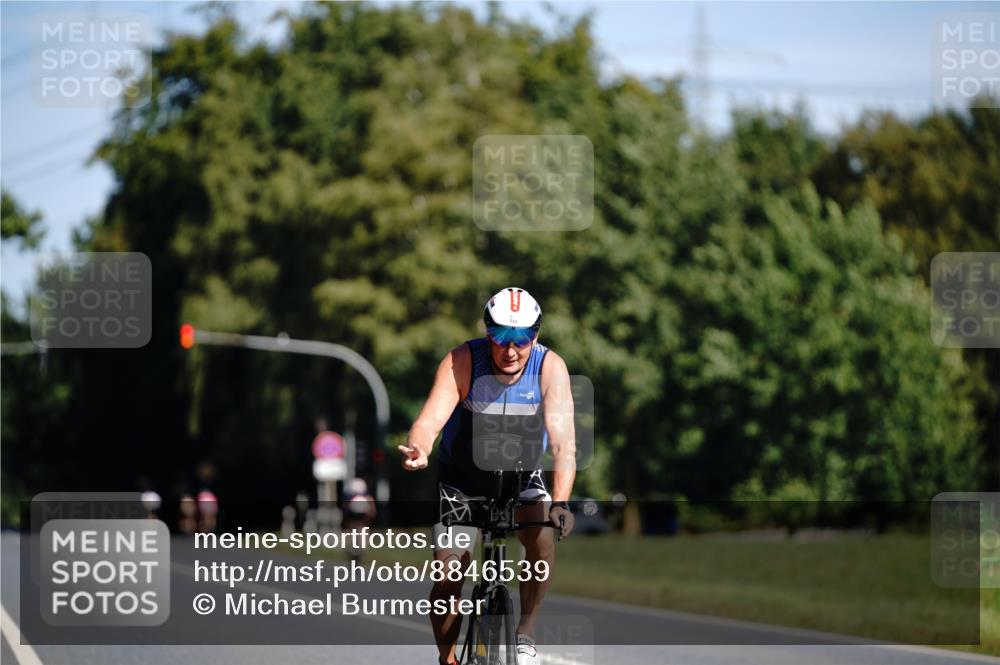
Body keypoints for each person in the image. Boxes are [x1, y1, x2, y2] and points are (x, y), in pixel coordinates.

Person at [399, 287, 577, 665]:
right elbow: (429, 421)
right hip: (462, 480)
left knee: (542, 537)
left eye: (522, 339)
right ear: (487, 333)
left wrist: (560, 502)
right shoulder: (463, 360)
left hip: (522, 477)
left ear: (536, 335)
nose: (510, 350)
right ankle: (447, 658)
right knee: (449, 573)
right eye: (500, 338)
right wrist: (420, 448)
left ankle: (525, 633)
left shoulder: (549, 368)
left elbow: (563, 445)